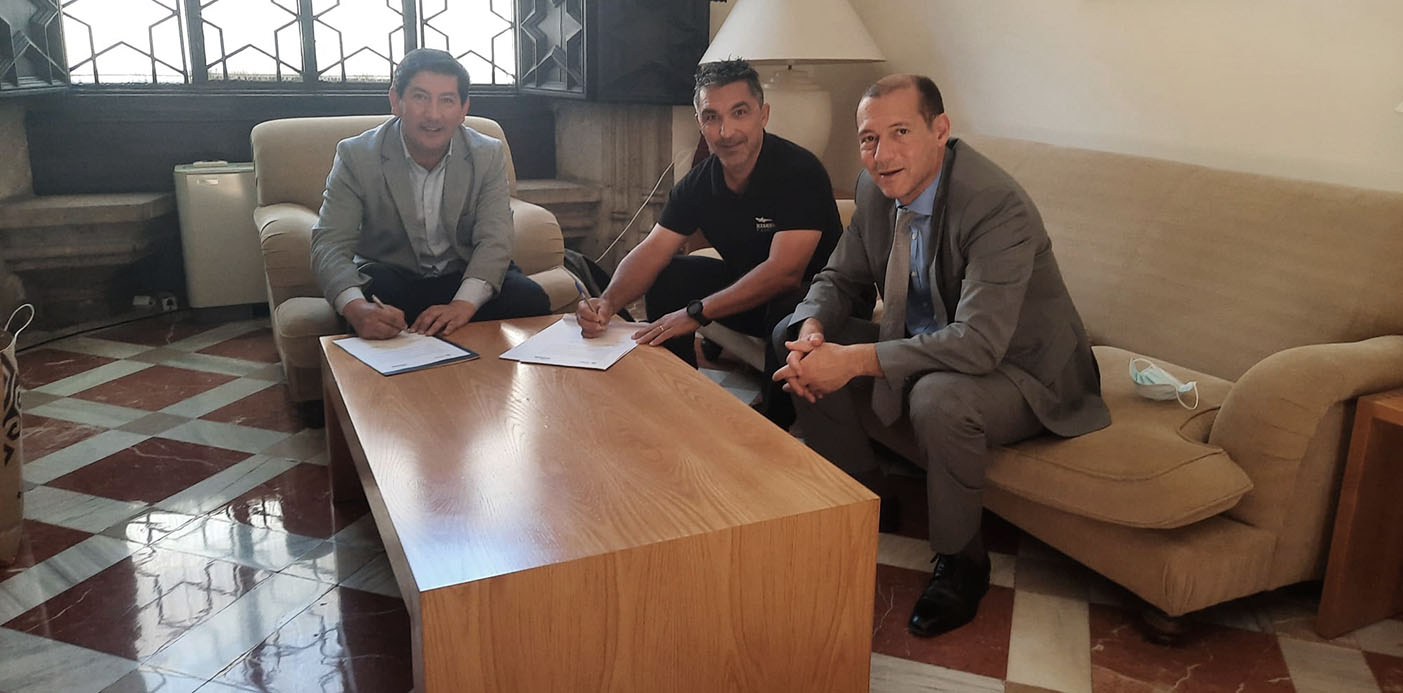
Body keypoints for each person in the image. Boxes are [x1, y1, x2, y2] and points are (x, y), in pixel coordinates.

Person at [772, 74, 1110, 638]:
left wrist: (852, 361)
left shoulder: (994, 204)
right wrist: (811, 332)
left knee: (937, 398)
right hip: (932, 340)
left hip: (1024, 370)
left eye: (900, 132)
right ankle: (867, 497)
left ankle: (962, 563)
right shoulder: (875, 189)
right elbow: (838, 278)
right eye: (869, 138)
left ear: (940, 130)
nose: (883, 154)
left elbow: (977, 342)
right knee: (794, 342)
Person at [576, 59, 842, 427]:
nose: (726, 131)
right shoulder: (699, 183)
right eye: (712, 117)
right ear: (700, 123)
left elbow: (785, 273)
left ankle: (773, 425)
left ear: (763, 114)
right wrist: (607, 302)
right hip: (754, 297)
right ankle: (679, 395)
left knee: (788, 301)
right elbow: (653, 250)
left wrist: (696, 312)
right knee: (670, 274)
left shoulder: (799, 171)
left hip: (818, 303)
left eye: (739, 113)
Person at [311, 48, 551, 340]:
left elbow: (494, 240)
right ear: (396, 101)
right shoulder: (357, 155)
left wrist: (462, 306)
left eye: (447, 100)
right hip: (394, 276)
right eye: (420, 97)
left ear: (463, 109)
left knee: (529, 298)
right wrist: (357, 309)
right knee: (377, 297)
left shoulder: (487, 154)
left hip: (461, 272)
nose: (433, 115)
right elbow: (330, 243)